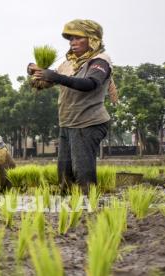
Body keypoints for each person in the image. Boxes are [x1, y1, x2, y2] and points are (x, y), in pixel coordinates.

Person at [28, 19, 118, 194]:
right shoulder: (69, 63)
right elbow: (48, 81)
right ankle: (68, 212)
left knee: (82, 172)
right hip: (68, 123)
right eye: (70, 39)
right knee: (64, 173)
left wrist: (55, 77)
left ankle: (88, 209)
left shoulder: (100, 61)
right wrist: (36, 72)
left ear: (92, 39)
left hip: (88, 123)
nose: (73, 43)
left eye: (78, 38)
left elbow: (90, 83)